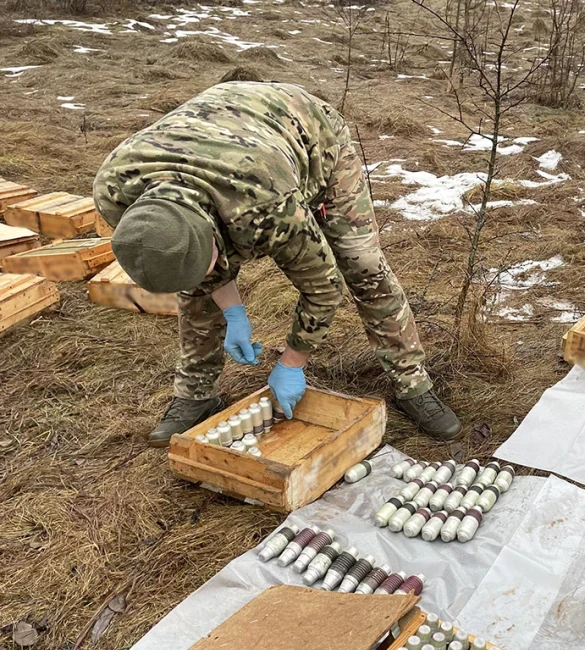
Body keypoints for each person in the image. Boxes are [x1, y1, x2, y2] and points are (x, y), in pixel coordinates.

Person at [94, 81, 461, 445]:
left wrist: (292, 362)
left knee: (362, 264)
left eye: (209, 262)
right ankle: (195, 394)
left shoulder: (265, 204)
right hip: (226, 129)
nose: (211, 275)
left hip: (311, 134)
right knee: (196, 290)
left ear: (213, 231)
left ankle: (412, 383)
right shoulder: (115, 193)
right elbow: (196, 268)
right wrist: (233, 310)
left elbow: (323, 286)